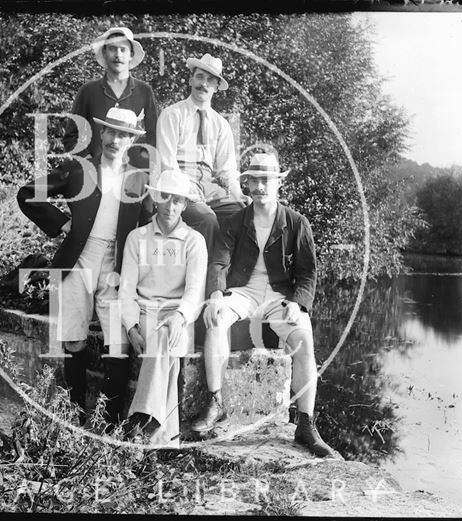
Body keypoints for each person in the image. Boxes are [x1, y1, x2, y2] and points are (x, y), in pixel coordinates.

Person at [191, 150, 339, 458]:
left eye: (266, 181)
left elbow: (308, 273)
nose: (259, 187)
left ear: (278, 184)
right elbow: (219, 261)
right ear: (246, 184)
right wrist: (216, 294)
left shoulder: (297, 223)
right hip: (244, 291)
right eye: (254, 181)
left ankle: (305, 423)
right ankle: (216, 402)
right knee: (216, 320)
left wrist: (298, 304)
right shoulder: (234, 221)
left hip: (278, 295)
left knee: (303, 339)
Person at [17, 107, 150, 426]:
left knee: (118, 342)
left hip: (116, 266)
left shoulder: (139, 179)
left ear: (132, 139)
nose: (116, 140)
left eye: (124, 135)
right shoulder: (79, 168)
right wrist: (63, 224)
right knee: (74, 338)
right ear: (102, 133)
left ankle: (111, 421)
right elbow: (27, 195)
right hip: (77, 262)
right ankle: (75, 414)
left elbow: (149, 224)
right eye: (111, 132)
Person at [118, 170, 207, 446]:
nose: (171, 205)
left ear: (184, 204)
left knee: (167, 334)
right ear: (156, 198)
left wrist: (180, 317)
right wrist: (131, 327)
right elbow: (126, 289)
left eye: (178, 200)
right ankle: (161, 433)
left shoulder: (194, 241)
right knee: (161, 338)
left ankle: (141, 418)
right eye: (165, 197)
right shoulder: (137, 238)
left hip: (177, 316)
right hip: (144, 313)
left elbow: (194, 292)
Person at [156, 53, 246, 257]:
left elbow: (226, 170)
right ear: (190, 80)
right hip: (177, 181)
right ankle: (206, 280)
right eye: (199, 77)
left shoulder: (221, 124)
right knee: (206, 218)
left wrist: (237, 194)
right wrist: (186, 189)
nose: (203, 84)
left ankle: (232, 279)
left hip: (208, 184)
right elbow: (167, 162)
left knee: (243, 214)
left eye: (210, 80)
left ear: (216, 87)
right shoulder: (172, 114)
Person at [62, 26, 158, 169]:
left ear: (131, 54)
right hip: (91, 174)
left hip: (130, 177)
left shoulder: (144, 91)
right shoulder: (88, 91)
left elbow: (154, 136)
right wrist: (87, 162)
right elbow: (72, 136)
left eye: (123, 49)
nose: (118, 55)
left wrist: (141, 166)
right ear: (105, 53)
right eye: (112, 49)